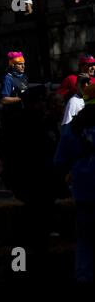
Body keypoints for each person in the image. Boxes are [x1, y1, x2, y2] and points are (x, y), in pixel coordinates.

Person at [55, 83, 95, 282]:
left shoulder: (74, 127)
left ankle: (83, 276)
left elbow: (59, 161)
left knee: (85, 241)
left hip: (83, 192)